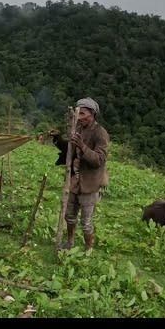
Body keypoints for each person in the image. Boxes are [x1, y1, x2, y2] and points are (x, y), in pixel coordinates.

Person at [50, 98, 109, 251]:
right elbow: (69, 150)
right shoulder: (77, 128)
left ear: (92, 114)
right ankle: (69, 243)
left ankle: (88, 249)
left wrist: (82, 146)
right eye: (78, 113)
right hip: (74, 182)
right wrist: (57, 139)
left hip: (90, 184)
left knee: (86, 222)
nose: (79, 117)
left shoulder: (100, 133)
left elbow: (99, 160)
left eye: (82, 113)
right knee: (69, 216)